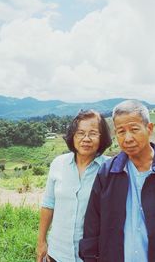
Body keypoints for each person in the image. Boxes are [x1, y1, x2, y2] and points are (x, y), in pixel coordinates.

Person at [79, 100, 155, 262]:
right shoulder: (107, 174)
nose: (127, 138)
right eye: (121, 131)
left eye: (134, 129)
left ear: (149, 129)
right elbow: (92, 226)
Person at [37, 110, 112, 262]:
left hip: (92, 256)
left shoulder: (110, 169)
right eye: (80, 133)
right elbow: (48, 204)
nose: (86, 139)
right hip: (57, 252)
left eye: (93, 133)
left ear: (102, 138)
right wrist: (41, 242)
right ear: (73, 136)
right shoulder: (58, 163)